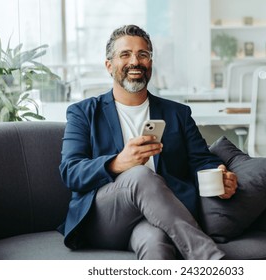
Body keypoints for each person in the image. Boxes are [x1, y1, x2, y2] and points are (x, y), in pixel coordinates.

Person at [59, 24, 237, 260]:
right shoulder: (83, 113)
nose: (135, 61)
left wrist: (220, 176)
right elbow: (70, 171)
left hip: (157, 218)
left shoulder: (177, 114)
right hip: (105, 219)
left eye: (143, 54)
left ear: (150, 63)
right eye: (125, 54)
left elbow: (201, 161)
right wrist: (117, 163)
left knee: (156, 244)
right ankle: (211, 261)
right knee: (140, 175)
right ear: (109, 65)